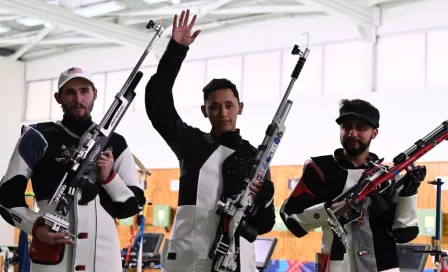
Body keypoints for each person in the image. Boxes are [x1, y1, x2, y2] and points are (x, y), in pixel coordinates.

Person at [145, 9, 276, 272]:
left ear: (240, 107)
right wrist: (176, 50)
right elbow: (157, 100)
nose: (223, 113)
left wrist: (266, 200)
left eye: (229, 105)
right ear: (204, 110)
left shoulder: (255, 156)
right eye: (215, 107)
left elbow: (264, 224)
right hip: (190, 262)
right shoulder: (191, 143)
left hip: (239, 264)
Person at [0, 66, 146, 272]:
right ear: (58, 97)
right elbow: (6, 199)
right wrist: (36, 227)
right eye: (70, 92)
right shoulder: (36, 137)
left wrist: (109, 178)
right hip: (52, 261)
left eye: (84, 91)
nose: (78, 99)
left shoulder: (116, 143)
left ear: (94, 93)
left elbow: (133, 206)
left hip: (103, 262)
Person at [280, 99, 426, 272]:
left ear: (374, 133)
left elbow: (404, 234)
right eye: (346, 126)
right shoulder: (319, 168)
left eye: (361, 127)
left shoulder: (387, 177)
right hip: (337, 266)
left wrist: (409, 192)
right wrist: (332, 210)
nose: (352, 133)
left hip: (383, 266)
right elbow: (292, 219)